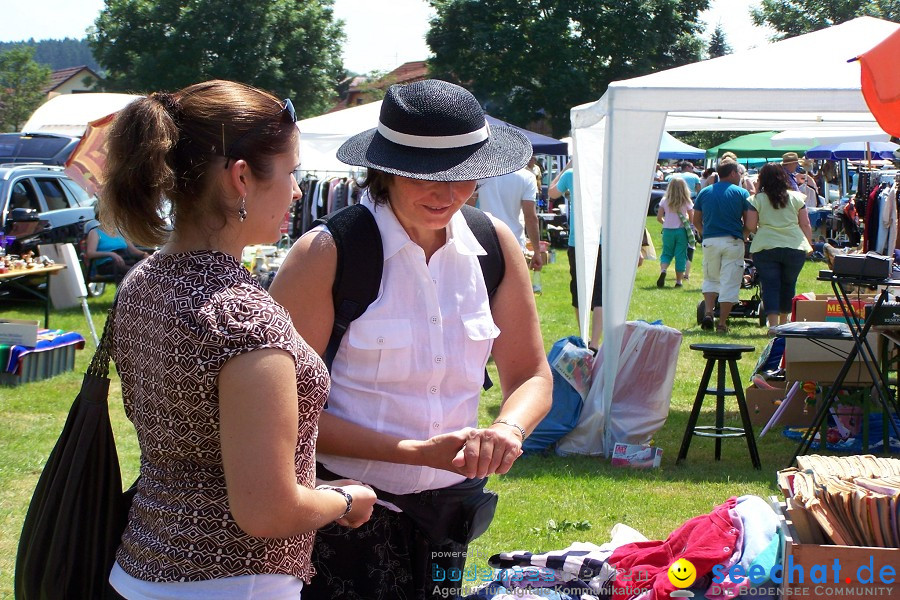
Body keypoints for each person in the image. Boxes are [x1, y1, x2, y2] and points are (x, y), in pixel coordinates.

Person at [269, 79, 552, 600]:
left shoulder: (494, 243)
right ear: (385, 169)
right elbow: (282, 420)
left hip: (452, 515)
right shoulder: (327, 254)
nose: (447, 195)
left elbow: (532, 374)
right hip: (345, 515)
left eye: (464, 176)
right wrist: (417, 451)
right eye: (426, 177)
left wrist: (508, 429)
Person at [101, 80, 376, 599]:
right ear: (241, 178)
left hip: (138, 567)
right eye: (291, 171)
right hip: (231, 582)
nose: (297, 190)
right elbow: (267, 511)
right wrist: (347, 500)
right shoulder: (243, 319)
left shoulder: (143, 280)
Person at [693, 160, 758, 333]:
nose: (739, 176)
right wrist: (743, 235)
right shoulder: (742, 193)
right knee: (730, 282)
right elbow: (750, 224)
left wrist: (704, 233)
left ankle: (708, 312)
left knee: (710, 278)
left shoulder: (705, 192)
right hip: (733, 240)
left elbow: (696, 220)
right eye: (738, 172)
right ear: (732, 173)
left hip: (710, 241)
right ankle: (722, 323)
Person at [748, 163, 813, 326]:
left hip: (765, 246)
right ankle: (785, 323)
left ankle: (773, 324)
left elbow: (750, 225)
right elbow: (805, 224)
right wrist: (809, 244)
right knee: (788, 284)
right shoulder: (797, 198)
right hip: (794, 245)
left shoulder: (756, 199)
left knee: (770, 285)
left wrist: (762, 230)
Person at [548, 160, 604, 351]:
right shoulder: (606, 174)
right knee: (599, 293)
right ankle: (595, 342)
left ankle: (584, 336)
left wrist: (566, 166)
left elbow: (551, 193)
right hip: (602, 241)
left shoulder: (571, 174)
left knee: (580, 289)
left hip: (578, 241)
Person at [476, 165, 543, 270]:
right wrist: (537, 251)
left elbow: (468, 208)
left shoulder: (482, 174)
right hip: (514, 242)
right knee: (515, 285)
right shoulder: (527, 177)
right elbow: (530, 217)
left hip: (486, 240)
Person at [656, 177, 694, 288]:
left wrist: (665, 222)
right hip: (681, 231)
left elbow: (659, 217)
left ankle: (663, 270)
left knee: (666, 253)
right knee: (680, 255)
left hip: (667, 230)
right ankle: (678, 281)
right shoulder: (686, 200)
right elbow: (691, 216)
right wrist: (689, 225)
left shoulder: (664, 200)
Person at [82, 221, 149, 283]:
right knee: (137, 273)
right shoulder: (95, 232)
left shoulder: (120, 231)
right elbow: (90, 253)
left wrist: (145, 255)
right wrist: (111, 254)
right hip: (108, 263)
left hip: (126, 259)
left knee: (147, 268)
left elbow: (133, 251)